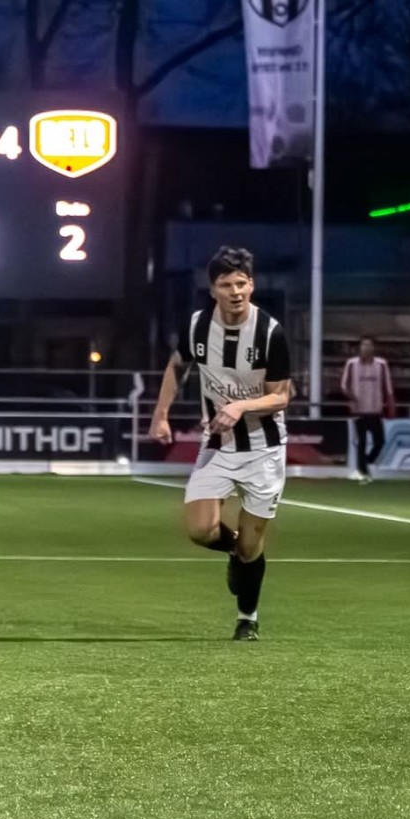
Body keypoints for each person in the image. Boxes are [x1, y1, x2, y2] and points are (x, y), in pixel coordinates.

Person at [147, 245, 292, 641]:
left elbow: (281, 396)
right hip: (218, 442)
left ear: (252, 285)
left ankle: (248, 618)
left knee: (252, 546)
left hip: (264, 448)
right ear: (213, 290)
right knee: (200, 530)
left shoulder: (270, 332)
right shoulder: (197, 326)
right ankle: (234, 554)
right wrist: (161, 413)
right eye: (226, 285)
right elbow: (177, 365)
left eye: (241, 283)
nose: (235, 292)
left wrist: (242, 406)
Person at [339, 336, 395, 481]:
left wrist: (391, 406)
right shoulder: (351, 364)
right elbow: (343, 385)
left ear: (373, 348)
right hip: (358, 410)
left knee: (380, 442)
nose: (366, 348)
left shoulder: (381, 364)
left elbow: (388, 387)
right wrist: (351, 396)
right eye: (364, 345)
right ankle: (362, 472)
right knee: (361, 441)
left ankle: (365, 462)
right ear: (359, 348)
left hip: (375, 410)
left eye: (369, 345)